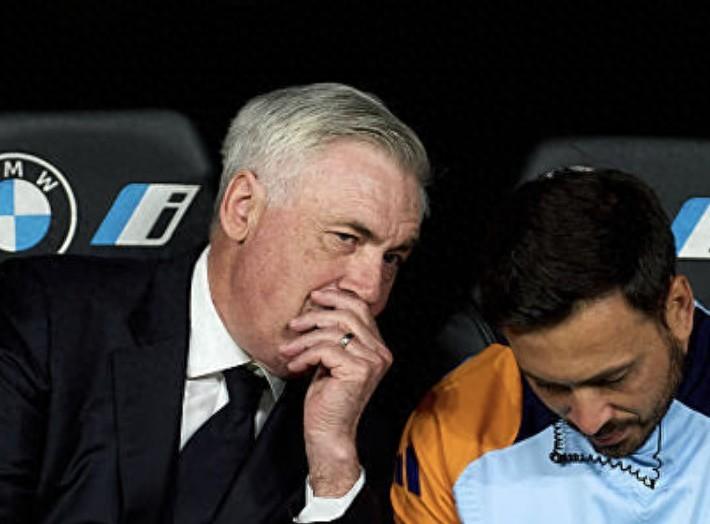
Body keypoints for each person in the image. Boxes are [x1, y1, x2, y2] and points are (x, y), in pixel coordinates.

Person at [0, 82, 430, 523]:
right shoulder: (44, 320)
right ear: (243, 208)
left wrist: (333, 468)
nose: (370, 289)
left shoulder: (371, 413)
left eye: (392, 257)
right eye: (345, 238)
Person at [391, 166, 710, 523]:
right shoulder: (455, 427)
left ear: (678, 309)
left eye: (613, 378)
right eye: (549, 385)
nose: (589, 422)